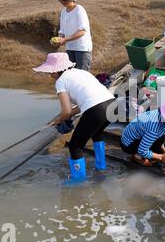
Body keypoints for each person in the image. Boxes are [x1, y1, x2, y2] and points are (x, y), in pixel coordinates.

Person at [33, 52, 115, 182]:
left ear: (56, 70)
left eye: (50, 72)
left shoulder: (60, 81)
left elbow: (66, 111)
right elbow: (82, 105)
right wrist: (64, 117)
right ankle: (101, 167)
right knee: (97, 134)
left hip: (96, 110)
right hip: (111, 105)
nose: (50, 75)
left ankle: (78, 181)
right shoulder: (82, 72)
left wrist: (58, 120)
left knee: (75, 146)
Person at [120, 98, 165, 167]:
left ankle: (152, 153)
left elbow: (161, 137)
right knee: (149, 163)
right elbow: (142, 150)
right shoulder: (154, 128)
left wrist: (164, 151)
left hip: (142, 137)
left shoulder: (163, 119)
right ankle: (136, 156)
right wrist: (161, 157)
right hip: (129, 143)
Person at [51, 0, 93, 71]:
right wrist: (59, 39)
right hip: (70, 48)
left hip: (81, 48)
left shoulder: (79, 9)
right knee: (71, 74)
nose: (63, 1)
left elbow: (82, 31)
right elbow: (62, 31)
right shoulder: (63, 12)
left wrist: (65, 40)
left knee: (82, 74)